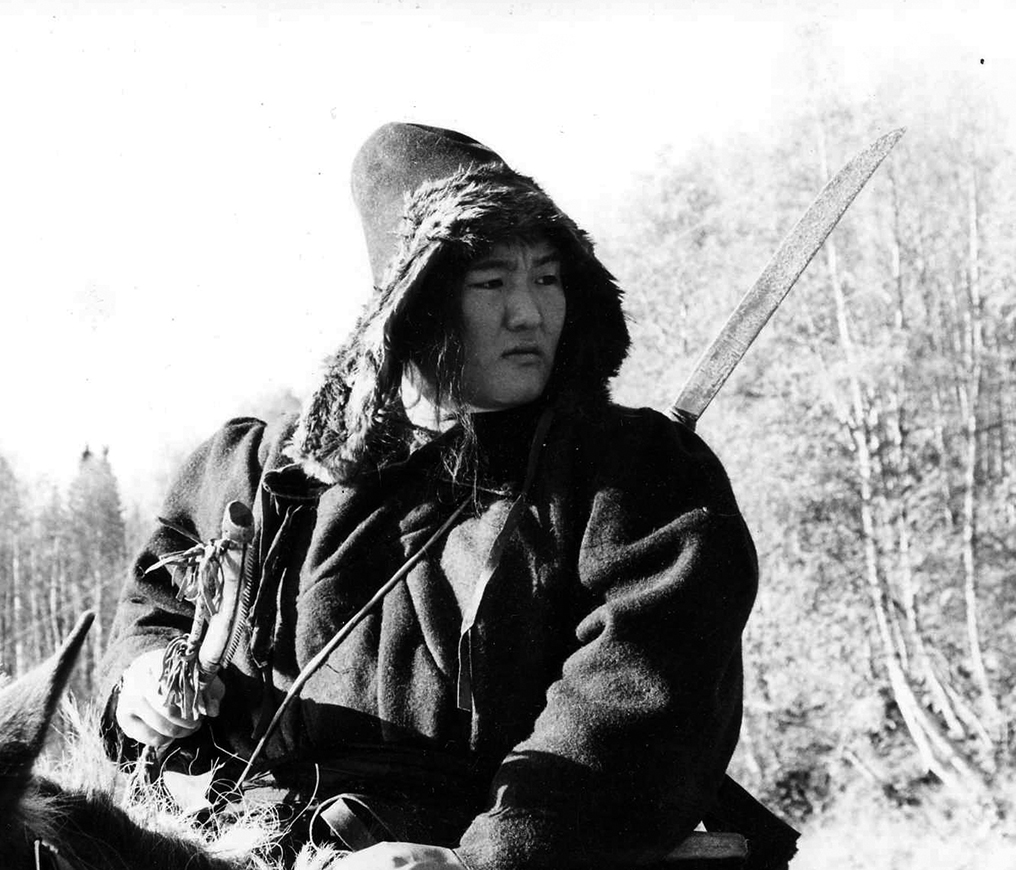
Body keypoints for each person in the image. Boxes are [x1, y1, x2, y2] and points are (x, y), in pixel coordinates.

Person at [96, 123, 761, 870]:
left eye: (547, 278)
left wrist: (477, 864)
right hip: (246, 843)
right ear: (412, 308)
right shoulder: (263, 472)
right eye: (492, 283)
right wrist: (144, 685)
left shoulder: (633, 476)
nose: (529, 313)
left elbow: (636, 706)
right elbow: (156, 611)